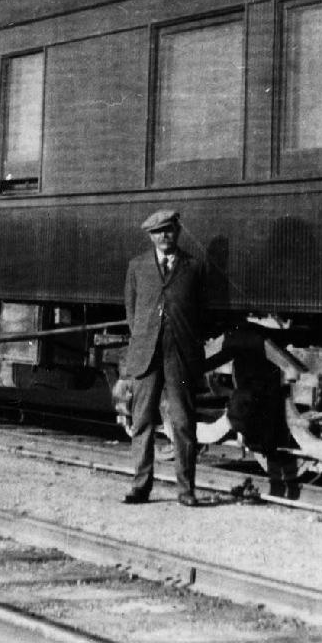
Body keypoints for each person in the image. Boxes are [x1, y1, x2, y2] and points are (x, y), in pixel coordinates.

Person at [122, 208, 208, 506]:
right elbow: (132, 311)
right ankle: (140, 486)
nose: (164, 236)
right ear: (150, 236)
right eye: (158, 232)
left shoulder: (194, 267)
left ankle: (186, 492)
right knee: (142, 420)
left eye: (169, 230)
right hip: (146, 354)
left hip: (180, 355)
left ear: (177, 231)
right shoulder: (137, 266)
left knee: (184, 423)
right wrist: (145, 337)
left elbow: (201, 313)